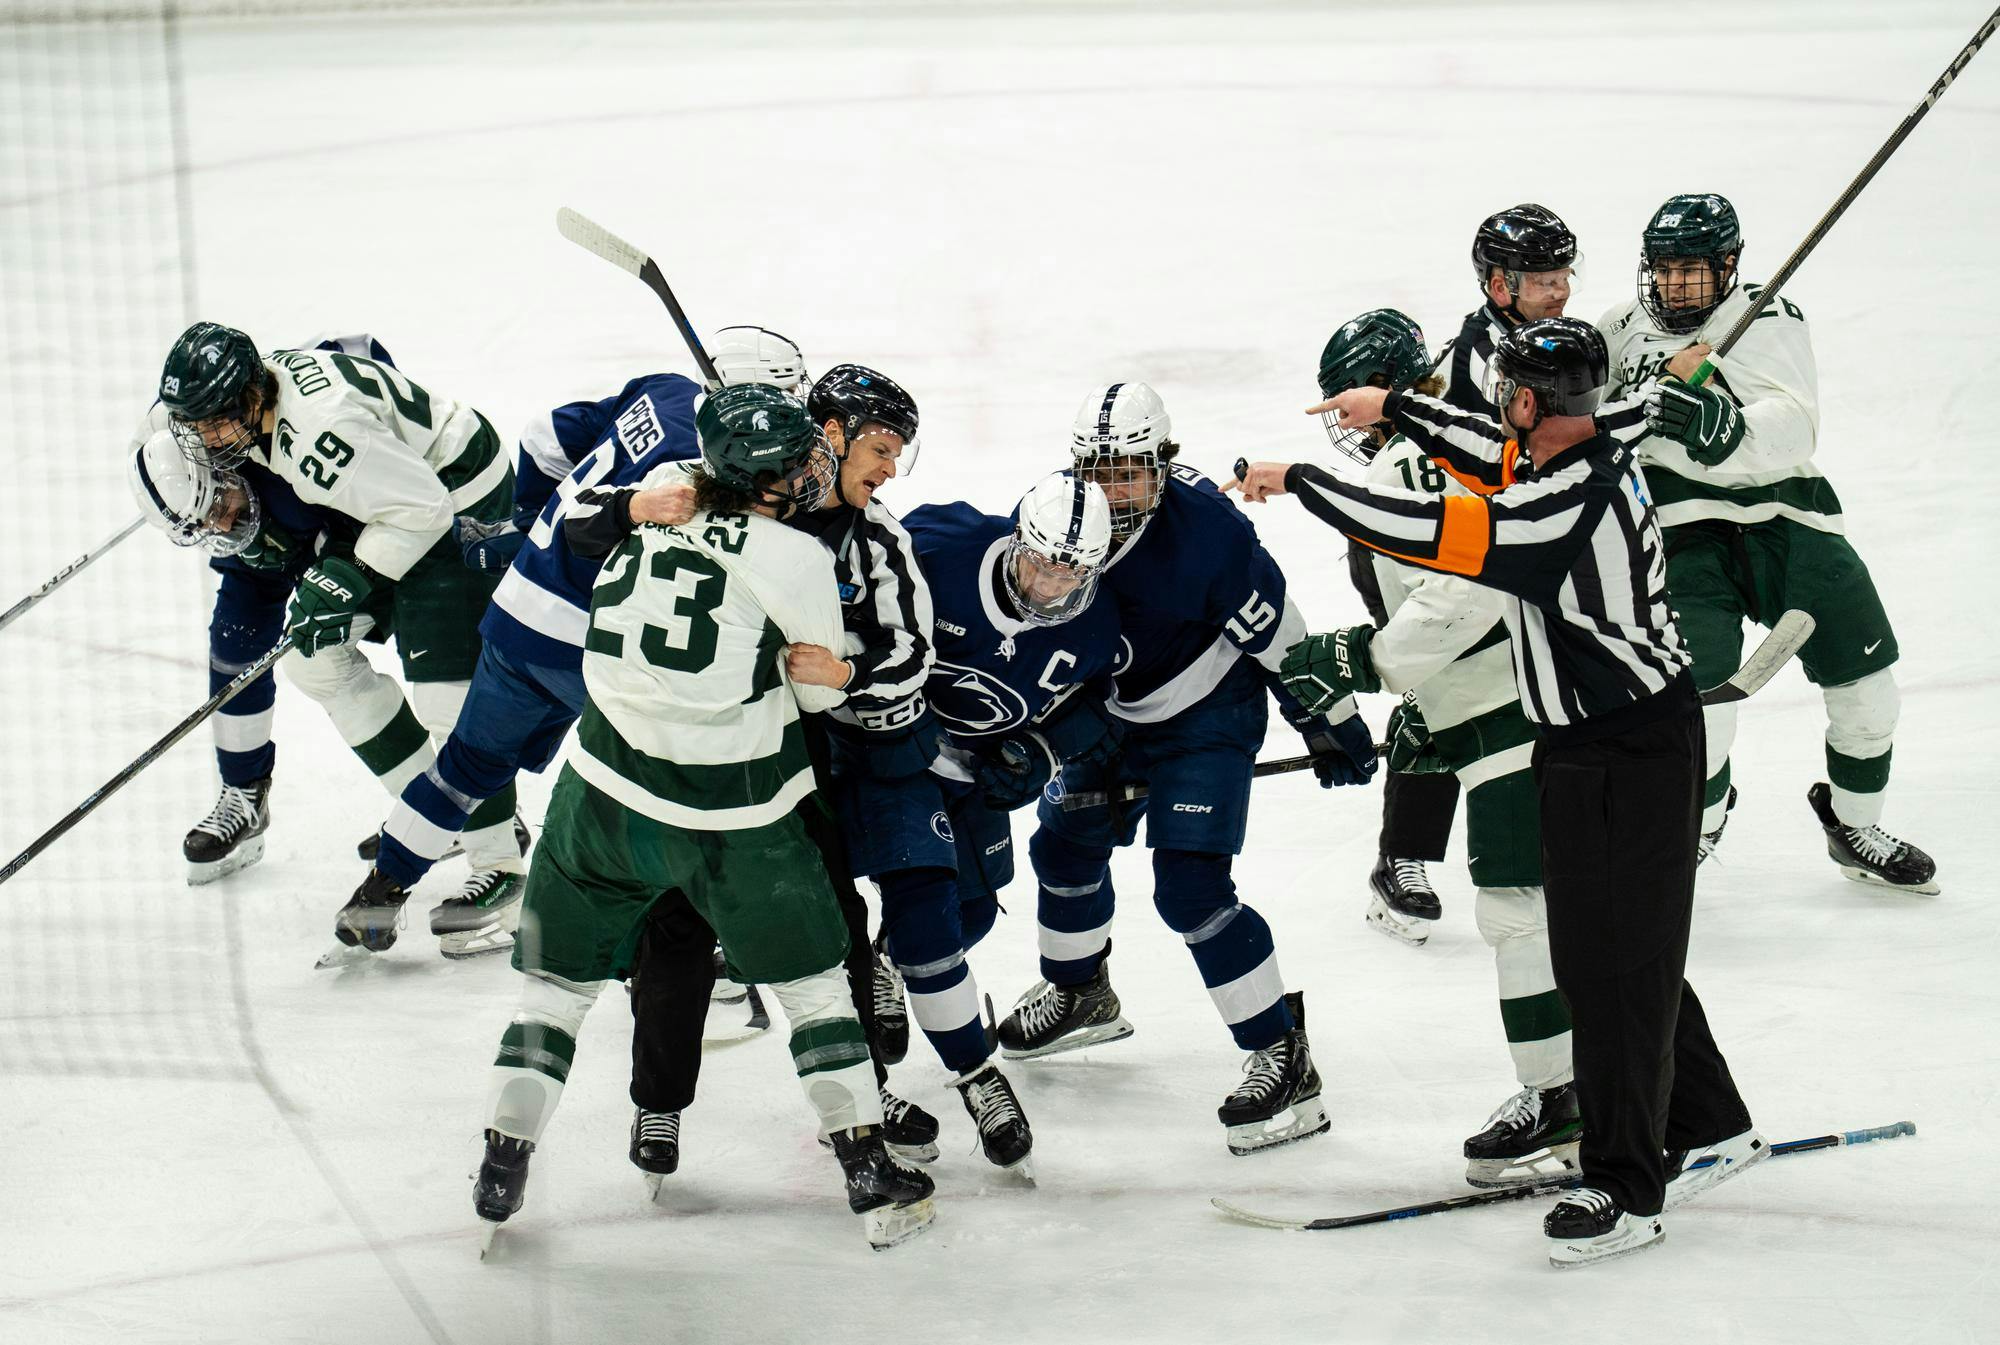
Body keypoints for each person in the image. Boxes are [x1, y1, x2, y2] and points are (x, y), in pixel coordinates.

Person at [1234, 317, 1764, 1267]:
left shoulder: (1560, 508)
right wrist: (1397, 407)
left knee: (1612, 970)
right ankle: (1711, 1124)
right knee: (1608, 954)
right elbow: (1484, 451)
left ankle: (1625, 1186)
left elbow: (1436, 532)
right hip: (1588, 743)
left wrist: (1302, 481)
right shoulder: (1573, 443)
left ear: (1528, 400)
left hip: (1628, 751)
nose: (1494, 405)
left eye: (1506, 390)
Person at [473, 382, 936, 1252]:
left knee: (556, 990)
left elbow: (575, 525)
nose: (811, 471)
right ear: (768, 478)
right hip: (735, 812)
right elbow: (814, 692)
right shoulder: (798, 555)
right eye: (796, 462)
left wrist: (630, 510)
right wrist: (824, 669)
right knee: (813, 986)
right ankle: (866, 1165)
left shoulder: (659, 494)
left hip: (601, 796)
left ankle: (504, 1156)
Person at [338, 328, 816, 961]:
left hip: (517, 612)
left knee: (466, 765)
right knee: (660, 793)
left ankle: (379, 893)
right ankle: (686, 953)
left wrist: (533, 524)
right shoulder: (713, 476)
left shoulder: (662, 391)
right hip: (603, 651)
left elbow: (544, 439)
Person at [999, 382, 1377, 1157]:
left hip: (1208, 710)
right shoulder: (1056, 518)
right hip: (1109, 708)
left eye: (1130, 473)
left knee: (1191, 886)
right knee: (1063, 845)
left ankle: (1281, 1052)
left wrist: (1328, 717)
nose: (1113, 492)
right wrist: (1048, 724)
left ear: (1163, 463)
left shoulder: (1206, 533)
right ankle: (1079, 991)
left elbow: (1278, 632)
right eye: (1100, 471)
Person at [134, 323, 526, 956]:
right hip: (390, 500)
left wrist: (353, 573)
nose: (204, 439)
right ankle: (433, 813)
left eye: (214, 423)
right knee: (315, 661)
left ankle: (502, 868)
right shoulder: (231, 413)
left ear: (252, 397)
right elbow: (160, 432)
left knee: (445, 694)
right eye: (194, 426)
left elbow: (422, 509)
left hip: (456, 496)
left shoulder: (319, 434)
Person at [1296, 308, 1578, 1188]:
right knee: (1555, 910)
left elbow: (1468, 590)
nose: (1339, 416)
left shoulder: (1412, 461)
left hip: (1512, 714)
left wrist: (1372, 660)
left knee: (1525, 911)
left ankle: (1568, 1100)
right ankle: (1596, 1093)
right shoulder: (1465, 438)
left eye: (1346, 396)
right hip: (1515, 703)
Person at [1600, 192, 1936, 890]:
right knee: (1699, 703)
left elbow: (1795, 422)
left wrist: (1726, 427)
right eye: (1663, 269)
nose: (1673, 285)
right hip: (1679, 532)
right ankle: (1699, 823)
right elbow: (1584, 426)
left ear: (1727, 265)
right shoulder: (1618, 329)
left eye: (1690, 270)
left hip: (1789, 519)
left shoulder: (1768, 315)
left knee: (1870, 691)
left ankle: (1854, 824)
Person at [1355, 204, 1583, 933]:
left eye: (1562, 274)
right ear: (1498, 284)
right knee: (1447, 680)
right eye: (1542, 278)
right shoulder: (1480, 363)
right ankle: (1403, 854)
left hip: (1542, 540)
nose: (1559, 289)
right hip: (1486, 547)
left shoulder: (1541, 341)